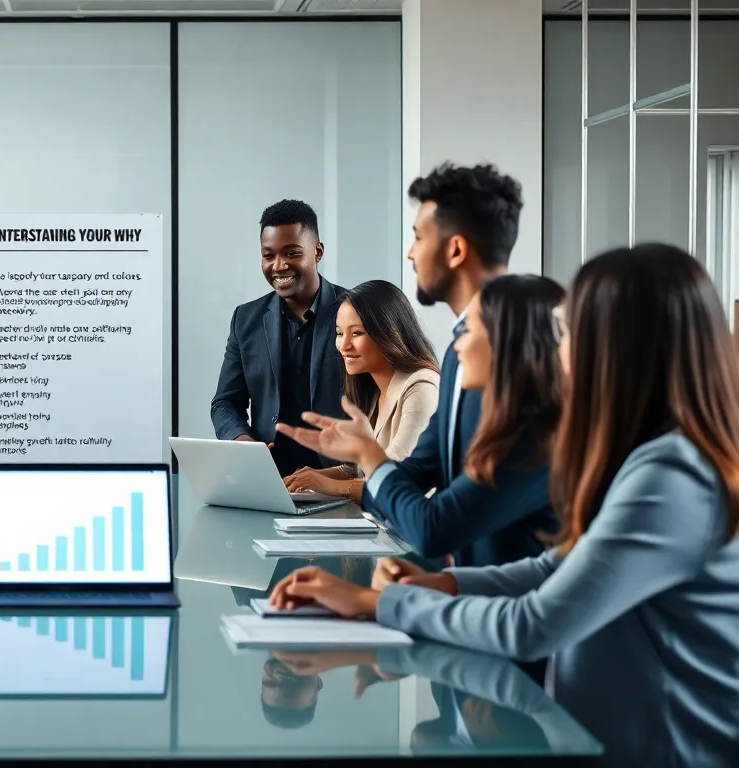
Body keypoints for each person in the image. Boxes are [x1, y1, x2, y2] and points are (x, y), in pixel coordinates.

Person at [267, 244, 739, 766]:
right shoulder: (648, 457)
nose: (556, 349)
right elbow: (554, 569)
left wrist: (378, 604)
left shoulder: (672, 477)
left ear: (615, 347)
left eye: (569, 331)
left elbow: (536, 622)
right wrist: (441, 584)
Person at [283, 275, 564, 567]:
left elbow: (433, 527)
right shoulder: (504, 423)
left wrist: (366, 455)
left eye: (468, 330)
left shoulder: (529, 442)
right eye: (340, 333)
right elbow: (412, 473)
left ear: (505, 343)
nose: (456, 347)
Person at [356, 164, 524, 534]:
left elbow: (442, 523)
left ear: (456, 250)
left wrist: (367, 457)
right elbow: (422, 468)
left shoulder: (514, 358)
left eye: (418, 237)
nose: (410, 254)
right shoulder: (456, 353)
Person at [211, 200, 345, 477]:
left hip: (339, 479)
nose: (279, 266)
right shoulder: (245, 319)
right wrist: (241, 441)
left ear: (317, 252)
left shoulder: (356, 311)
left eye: (292, 253)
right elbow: (225, 402)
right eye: (268, 255)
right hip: (269, 479)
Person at [283, 280, 440, 503]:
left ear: (388, 332)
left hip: (407, 533)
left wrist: (332, 486)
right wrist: (306, 478)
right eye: (339, 333)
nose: (343, 345)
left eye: (356, 333)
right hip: (379, 527)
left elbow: (397, 481)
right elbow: (359, 471)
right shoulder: (373, 391)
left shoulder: (421, 387)